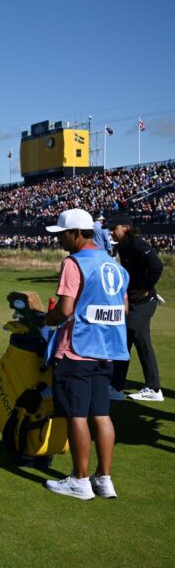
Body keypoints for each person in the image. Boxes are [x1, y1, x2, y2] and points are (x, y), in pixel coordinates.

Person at [43, 208, 129, 500]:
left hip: (77, 349)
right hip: (106, 351)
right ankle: (104, 479)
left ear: (77, 233)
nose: (60, 240)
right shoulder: (114, 265)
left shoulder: (73, 262)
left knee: (77, 415)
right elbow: (124, 308)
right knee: (102, 415)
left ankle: (80, 481)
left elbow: (65, 310)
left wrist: (48, 318)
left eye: (62, 234)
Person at [106, 214, 164, 402]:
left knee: (124, 339)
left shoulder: (138, 244)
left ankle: (116, 388)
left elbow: (157, 266)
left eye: (114, 229)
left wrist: (147, 289)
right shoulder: (123, 246)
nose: (111, 232)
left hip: (144, 303)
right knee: (142, 343)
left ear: (125, 227)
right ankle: (154, 389)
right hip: (134, 302)